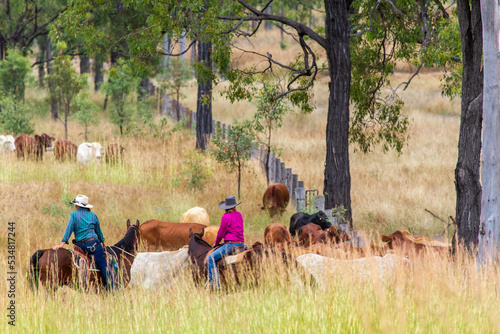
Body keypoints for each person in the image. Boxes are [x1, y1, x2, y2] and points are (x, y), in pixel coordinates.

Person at [53, 194, 112, 290]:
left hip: (79, 246)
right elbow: (98, 231)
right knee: (104, 266)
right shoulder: (93, 216)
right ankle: (112, 288)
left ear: (77, 206)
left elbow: (69, 229)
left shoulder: (74, 215)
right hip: (93, 245)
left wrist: (62, 243)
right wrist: (103, 242)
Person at [206, 196, 246, 289]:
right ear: (235, 206)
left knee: (210, 258)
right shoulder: (239, 215)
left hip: (231, 244)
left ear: (226, 208)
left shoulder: (226, 217)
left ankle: (215, 283)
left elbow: (221, 233)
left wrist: (216, 243)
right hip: (241, 243)